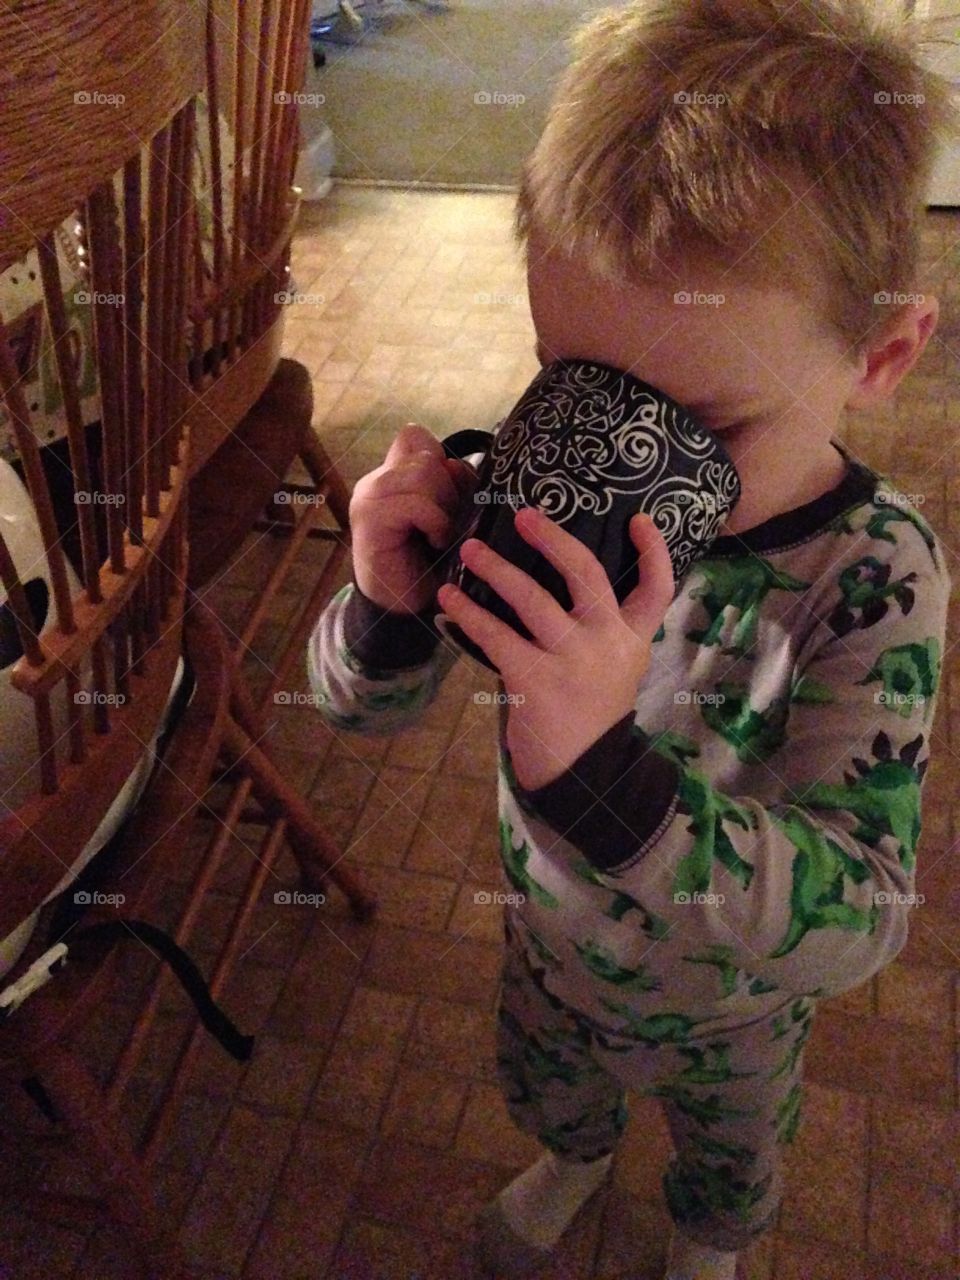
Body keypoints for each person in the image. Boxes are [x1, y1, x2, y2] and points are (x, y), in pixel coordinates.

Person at [306, 2, 955, 1276]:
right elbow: (356, 715)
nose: (617, 474)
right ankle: (576, 1154)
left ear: (881, 354)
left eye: (704, 428)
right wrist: (388, 606)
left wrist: (606, 778)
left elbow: (864, 913)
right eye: (570, 380)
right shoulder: (544, 488)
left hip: (736, 1007)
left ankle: (707, 1240)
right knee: (548, 1092)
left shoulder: (876, 575)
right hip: (546, 945)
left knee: (729, 1161)